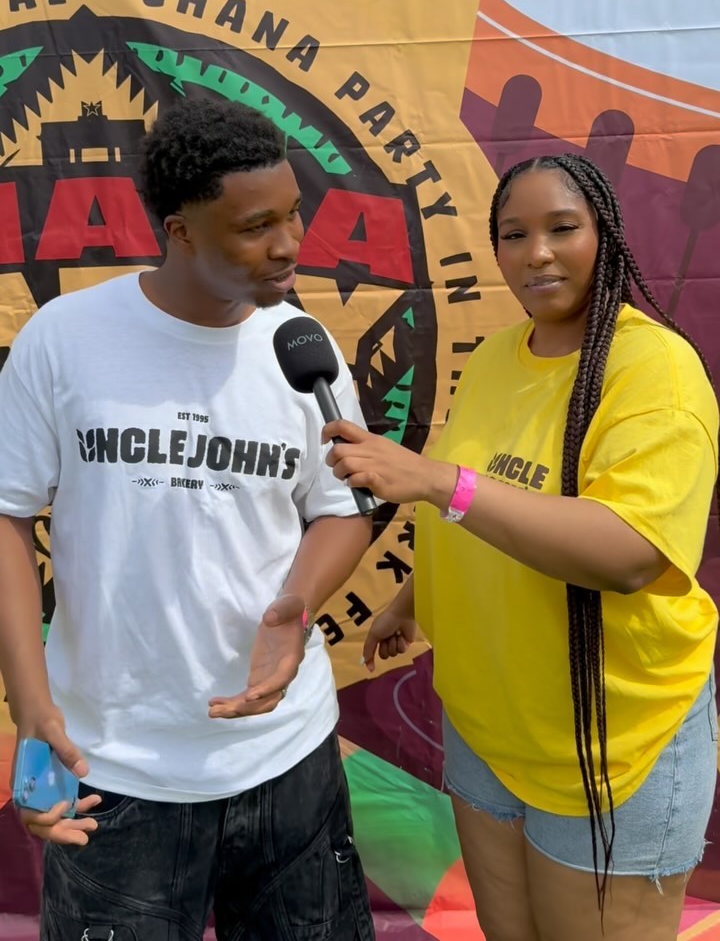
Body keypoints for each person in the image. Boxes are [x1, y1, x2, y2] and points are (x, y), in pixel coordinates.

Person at [0, 96, 375, 941]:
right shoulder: (64, 339)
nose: (288, 244)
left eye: (293, 214)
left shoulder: (304, 347)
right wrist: (30, 704)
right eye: (255, 227)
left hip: (285, 758)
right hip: (113, 768)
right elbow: (7, 518)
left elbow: (342, 508)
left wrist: (298, 604)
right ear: (180, 232)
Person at [322, 152, 719, 941]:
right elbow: (488, 503)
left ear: (605, 233)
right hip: (487, 726)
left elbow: (628, 551)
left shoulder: (655, 369)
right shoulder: (500, 356)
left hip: (606, 740)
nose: (536, 253)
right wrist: (412, 597)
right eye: (514, 235)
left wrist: (437, 481)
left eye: (562, 228)